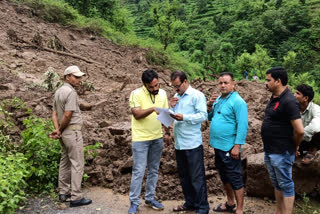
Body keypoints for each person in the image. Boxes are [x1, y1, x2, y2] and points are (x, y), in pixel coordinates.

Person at [261, 67, 304, 214]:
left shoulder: (289, 101)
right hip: (270, 150)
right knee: (277, 183)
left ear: (278, 81)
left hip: (282, 151)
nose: (265, 83)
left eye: (268, 80)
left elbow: (300, 130)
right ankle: (278, 211)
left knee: (285, 184)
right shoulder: (275, 97)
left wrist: (294, 145)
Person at [128, 69, 169, 214]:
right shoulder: (136, 94)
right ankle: (134, 202)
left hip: (157, 137)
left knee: (154, 170)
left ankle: (150, 198)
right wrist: (152, 109)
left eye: (157, 85)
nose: (155, 89)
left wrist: (167, 132)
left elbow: (164, 114)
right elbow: (137, 114)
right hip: (140, 139)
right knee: (138, 170)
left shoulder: (163, 93)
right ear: (144, 84)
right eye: (151, 87)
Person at [50, 65, 92, 207]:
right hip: (72, 131)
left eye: (80, 77)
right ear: (67, 77)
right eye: (76, 77)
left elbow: (54, 113)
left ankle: (63, 192)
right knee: (77, 163)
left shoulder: (58, 91)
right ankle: (76, 197)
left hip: (64, 133)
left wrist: (58, 130)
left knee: (65, 161)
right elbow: (68, 114)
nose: (79, 79)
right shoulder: (71, 93)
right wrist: (61, 128)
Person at [169, 71, 209, 214]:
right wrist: (169, 107)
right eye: (173, 86)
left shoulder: (197, 96)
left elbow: (203, 115)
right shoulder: (176, 96)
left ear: (185, 81)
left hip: (192, 143)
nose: (175, 89)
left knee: (196, 177)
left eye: (177, 86)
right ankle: (190, 203)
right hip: (179, 143)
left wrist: (184, 117)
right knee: (184, 176)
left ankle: (202, 207)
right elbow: (170, 116)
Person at [208, 72, 248, 214]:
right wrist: (209, 105)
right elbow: (210, 117)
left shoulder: (238, 102)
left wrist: (237, 146)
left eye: (226, 83)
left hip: (230, 147)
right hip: (218, 146)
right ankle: (230, 203)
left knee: (235, 177)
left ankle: (240, 209)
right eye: (220, 83)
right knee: (224, 176)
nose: (223, 85)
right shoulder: (219, 99)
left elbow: (243, 126)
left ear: (233, 84)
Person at [294, 84, 320, 164]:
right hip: (298, 139)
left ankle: (312, 150)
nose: (294, 95)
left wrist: (299, 138)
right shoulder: (293, 108)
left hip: (309, 138)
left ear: (305, 98)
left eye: (298, 93)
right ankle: (298, 150)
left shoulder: (316, 109)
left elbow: (315, 126)